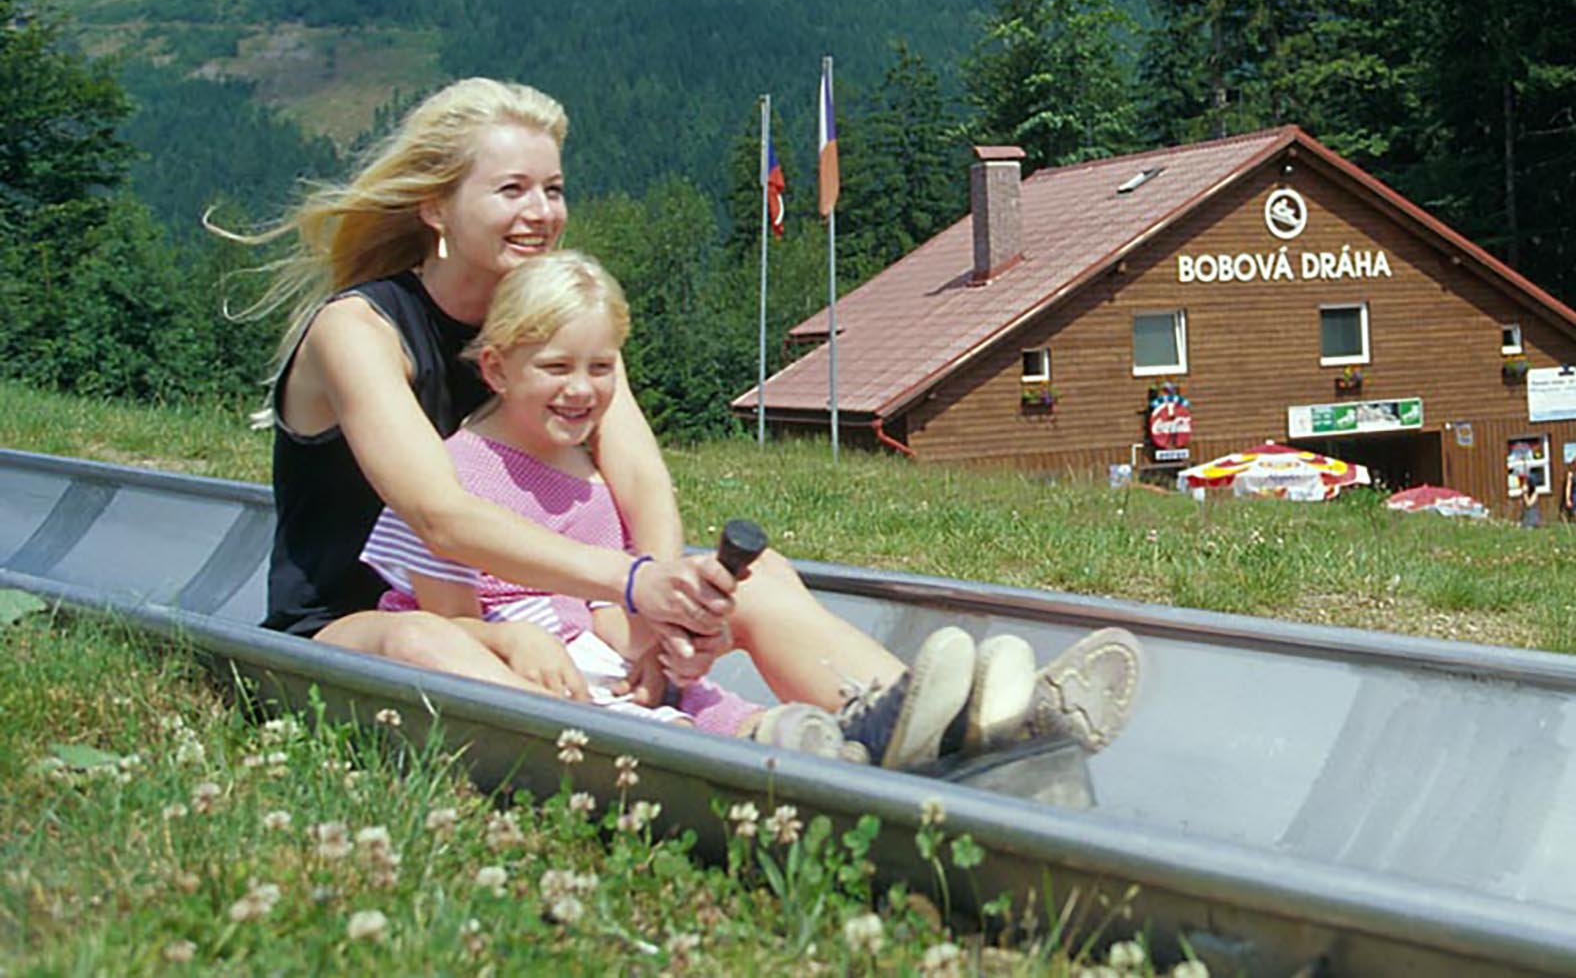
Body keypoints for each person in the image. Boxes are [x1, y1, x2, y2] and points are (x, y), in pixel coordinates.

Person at [229, 78, 1139, 765]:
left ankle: (923, 718)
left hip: (557, 609)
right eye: (510, 191)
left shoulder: (552, 319)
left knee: (750, 575)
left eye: (552, 189)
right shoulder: (362, 329)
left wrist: (670, 605)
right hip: (367, 624)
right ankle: (655, 757)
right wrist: (634, 587)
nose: (541, 213)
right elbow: (440, 518)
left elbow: (642, 480)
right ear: (436, 206)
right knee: (422, 638)